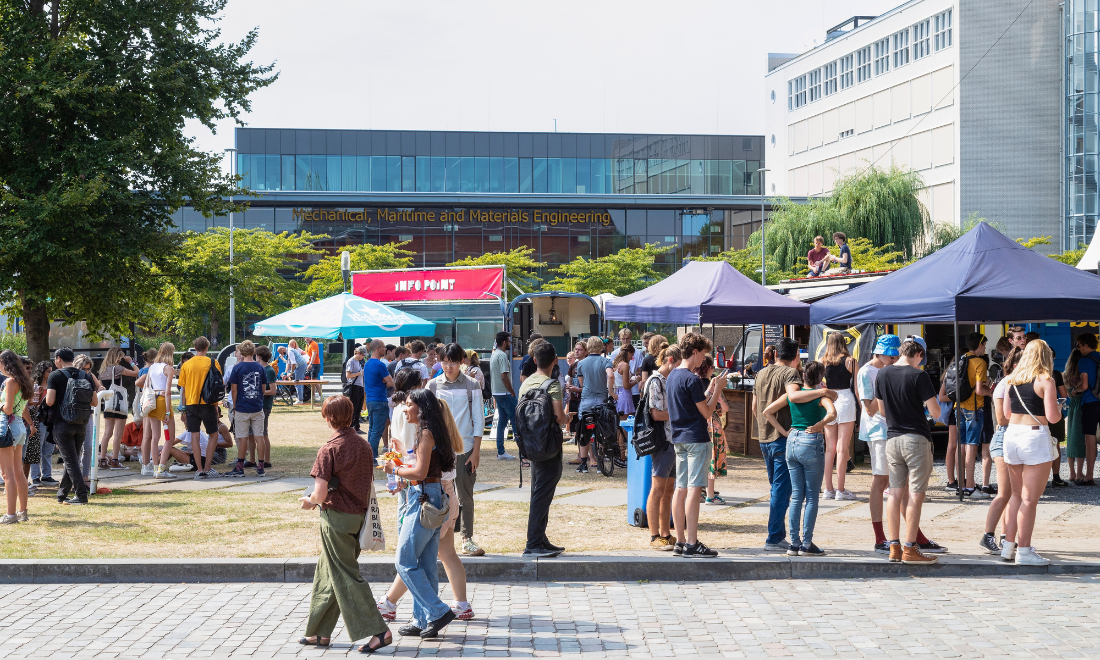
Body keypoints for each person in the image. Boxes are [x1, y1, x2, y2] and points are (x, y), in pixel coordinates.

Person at [297, 395, 391, 653]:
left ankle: (379, 631)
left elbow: (319, 494)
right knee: (327, 573)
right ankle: (319, 632)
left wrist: (308, 501)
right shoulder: (364, 446)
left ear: (328, 419)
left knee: (345, 575)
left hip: (336, 518)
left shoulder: (329, 449)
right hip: (358, 518)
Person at [378, 397, 475, 623]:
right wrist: (405, 471)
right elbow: (425, 471)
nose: (404, 408)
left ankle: (422, 608)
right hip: (439, 499)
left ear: (424, 410)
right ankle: (431, 614)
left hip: (430, 501)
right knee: (435, 558)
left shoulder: (427, 435)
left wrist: (397, 469)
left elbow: (423, 473)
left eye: (410, 404)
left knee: (409, 559)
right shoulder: (435, 435)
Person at [751, 337, 834, 551]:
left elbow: (755, 407)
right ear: (796, 356)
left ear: (776, 354)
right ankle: (775, 537)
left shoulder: (761, 372)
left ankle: (780, 536)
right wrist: (823, 392)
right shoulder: (790, 374)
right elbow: (795, 396)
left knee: (778, 489)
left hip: (764, 436)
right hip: (784, 437)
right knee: (782, 490)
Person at [876, 338, 943, 564]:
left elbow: (882, 410)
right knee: (916, 493)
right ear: (919, 354)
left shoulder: (883, 374)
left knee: (895, 493)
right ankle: (910, 548)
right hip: (916, 438)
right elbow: (935, 412)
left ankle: (893, 547)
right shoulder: (919, 375)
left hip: (892, 438)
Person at [1000, 339, 1062, 566]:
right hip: (1034, 436)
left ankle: (1008, 546)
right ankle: (1024, 551)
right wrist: (1060, 407)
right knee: (1029, 500)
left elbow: (1006, 413)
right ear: (1046, 357)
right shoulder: (1046, 380)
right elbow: (1053, 417)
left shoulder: (1012, 379)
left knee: (1016, 496)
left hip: (1012, 435)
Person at [667, 332, 727, 558]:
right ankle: (692, 542)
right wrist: (719, 388)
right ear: (695, 352)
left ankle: (681, 541)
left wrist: (711, 387)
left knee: (680, 489)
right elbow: (707, 412)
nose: (704, 359)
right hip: (696, 439)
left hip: (679, 438)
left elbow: (693, 402)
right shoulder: (691, 379)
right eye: (703, 353)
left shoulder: (673, 376)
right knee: (694, 488)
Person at [427, 343, 486, 558]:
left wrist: (476, 452)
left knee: (465, 495)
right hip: (439, 450)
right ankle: (439, 538)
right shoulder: (433, 385)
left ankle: (467, 538)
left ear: (461, 361)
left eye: (452, 362)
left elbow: (479, 420)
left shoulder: (472, 385)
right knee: (437, 494)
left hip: (465, 448)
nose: (448, 366)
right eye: (444, 361)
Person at [518, 341, 569, 558]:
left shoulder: (526, 384)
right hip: (549, 444)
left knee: (538, 490)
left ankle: (540, 538)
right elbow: (559, 418)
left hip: (531, 444)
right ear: (555, 360)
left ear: (535, 360)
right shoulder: (552, 385)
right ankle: (533, 543)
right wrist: (567, 417)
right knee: (542, 492)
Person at [857, 334, 900, 553]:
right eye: (891, 356)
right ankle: (879, 535)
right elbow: (869, 408)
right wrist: (885, 380)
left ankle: (909, 534)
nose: (894, 360)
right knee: (881, 480)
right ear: (880, 353)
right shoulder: (867, 372)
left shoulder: (886, 369)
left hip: (893, 428)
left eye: (895, 357)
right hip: (877, 430)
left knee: (899, 482)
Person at [980, 346, 1023, 554]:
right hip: (1004, 438)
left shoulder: (1017, 383)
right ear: (1016, 366)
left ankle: (1007, 536)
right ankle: (988, 535)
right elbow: (1001, 419)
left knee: (1014, 494)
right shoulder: (1005, 384)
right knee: (1005, 493)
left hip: (1014, 437)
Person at [45, 347, 91, 505]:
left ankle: (81, 496)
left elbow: (50, 401)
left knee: (70, 461)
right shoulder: (85, 375)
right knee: (72, 459)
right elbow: (95, 402)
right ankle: (62, 494)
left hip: (62, 423)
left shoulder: (55, 375)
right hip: (81, 423)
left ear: (58, 358)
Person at [644, 342, 679, 550]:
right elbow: (655, 413)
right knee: (657, 489)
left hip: (672, 439)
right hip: (662, 440)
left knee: (669, 489)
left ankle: (666, 533)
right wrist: (679, 414)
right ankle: (654, 535)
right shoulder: (656, 380)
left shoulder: (668, 379)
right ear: (670, 360)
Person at [953, 333, 993, 497]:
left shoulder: (960, 359)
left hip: (958, 405)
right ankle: (970, 486)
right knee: (971, 445)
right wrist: (990, 392)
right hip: (974, 407)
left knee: (960, 444)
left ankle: (961, 484)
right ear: (980, 345)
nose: (985, 348)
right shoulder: (980, 363)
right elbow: (979, 389)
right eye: (984, 345)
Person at [177, 337, 222, 479]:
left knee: (194, 436)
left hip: (191, 403)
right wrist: (215, 406)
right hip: (208, 403)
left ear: (195, 348)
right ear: (207, 348)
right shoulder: (213, 363)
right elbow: (217, 386)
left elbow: (183, 389)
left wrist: (183, 409)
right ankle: (208, 467)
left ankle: (199, 470)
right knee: (213, 434)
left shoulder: (187, 364)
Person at [821, 332, 857, 500]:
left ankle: (828, 489)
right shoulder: (851, 361)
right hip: (846, 399)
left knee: (830, 448)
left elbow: (820, 384)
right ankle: (841, 490)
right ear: (844, 343)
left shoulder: (823, 361)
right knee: (843, 448)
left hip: (829, 399)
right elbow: (856, 389)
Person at [226, 340, 269, 478]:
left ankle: (240, 468)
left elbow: (234, 389)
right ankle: (261, 467)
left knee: (242, 437)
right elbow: (263, 389)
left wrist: (235, 405)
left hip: (242, 408)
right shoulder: (260, 367)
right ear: (253, 352)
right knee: (259, 437)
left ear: (241, 352)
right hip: (257, 406)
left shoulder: (237, 368)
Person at [0, 350, 32, 523]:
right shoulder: (24, 381)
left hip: (9, 427)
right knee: (18, 472)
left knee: (7, 474)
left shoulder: (10, 382)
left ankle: (11, 515)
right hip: (19, 426)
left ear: (5, 363)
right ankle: (22, 512)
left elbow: (8, 409)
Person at [575, 335, 615, 473]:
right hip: (602, 400)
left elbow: (581, 383)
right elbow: (610, 375)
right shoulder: (606, 361)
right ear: (601, 347)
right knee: (602, 430)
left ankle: (584, 464)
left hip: (586, 399)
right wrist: (610, 391)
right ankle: (600, 462)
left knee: (584, 431)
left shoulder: (581, 363)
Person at [692, 355, 728, 506]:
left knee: (698, 460)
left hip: (696, 425)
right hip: (712, 425)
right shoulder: (713, 386)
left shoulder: (693, 383)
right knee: (711, 460)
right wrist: (717, 392)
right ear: (711, 369)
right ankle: (710, 495)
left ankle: (699, 491)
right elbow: (725, 408)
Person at [96, 347, 139, 470]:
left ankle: (103, 460)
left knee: (106, 433)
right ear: (117, 357)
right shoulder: (118, 369)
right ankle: (115, 460)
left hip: (108, 404)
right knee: (118, 434)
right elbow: (137, 372)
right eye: (120, 357)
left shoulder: (102, 371)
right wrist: (131, 361)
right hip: (119, 404)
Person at [139, 343, 177, 479]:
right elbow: (168, 392)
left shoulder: (152, 367)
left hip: (151, 401)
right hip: (162, 401)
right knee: (169, 437)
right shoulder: (169, 368)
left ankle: (155, 468)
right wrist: (167, 411)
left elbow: (146, 387)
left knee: (155, 437)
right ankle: (161, 468)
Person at [1073, 333, 1099, 486]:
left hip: (1090, 402)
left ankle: (1089, 476)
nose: (1078, 348)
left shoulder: (1084, 360)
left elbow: (1084, 385)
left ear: (1086, 345)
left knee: (1090, 439)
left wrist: (1075, 390)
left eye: (1079, 345)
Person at [489, 332, 518, 461]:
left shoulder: (494, 354)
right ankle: (524, 453)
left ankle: (501, 452)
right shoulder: (502, 355)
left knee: (502, 422)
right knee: (516, 421)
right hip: (505, 392)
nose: (510, 343)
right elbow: (504, 376)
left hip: (497, 392)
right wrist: (512, 391)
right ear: (505, 341)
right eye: (509, 341)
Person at [28, 361, 55, 487]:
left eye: (51, 370)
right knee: (36, 449)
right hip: (39, 420)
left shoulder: (53, 385)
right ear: (42, 372)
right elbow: (31, 405)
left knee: (48, 449)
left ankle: (47, 475)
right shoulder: (35, 385)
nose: (50, 373)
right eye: (48, 371)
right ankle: (35, 477)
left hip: (50, 420)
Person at [1065, 349, 1086, 483]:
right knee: (1080, 440)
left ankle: (1072, 473)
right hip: (1081, 406)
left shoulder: (1066, 375)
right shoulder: (1081, 375)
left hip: (1072, 406)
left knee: (1071, 440)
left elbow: (1068, 394)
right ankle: (1079, 473)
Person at [255, 345, 278, 470]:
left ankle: (267, 461)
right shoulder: (261, 368)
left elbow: (273, 390)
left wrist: (259, 392)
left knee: (263, 434)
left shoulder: (268, 370)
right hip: (260, 405)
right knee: (261, 433)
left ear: (259, 356)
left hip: (265, 406)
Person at [345, 345, 367, 432]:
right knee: (354, 408)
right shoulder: (351, 361)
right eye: (362, 355)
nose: (363, 357)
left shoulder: (359, 362)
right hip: (354, 387)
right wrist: (359, 373)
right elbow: (348, 375)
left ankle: (356, 427)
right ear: (358, 353)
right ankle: (352, 426)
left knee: (359, 408)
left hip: (360, 386)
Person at [613, 344, 638, 418]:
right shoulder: (625, 365)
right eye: (632, 355)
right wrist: (636, 380)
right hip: (625, 395)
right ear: (628, 353)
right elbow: (626, 386)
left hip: (617, 394)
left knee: (619, 423)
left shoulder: (616, 363)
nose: (631, 358)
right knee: (626, 423)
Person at [304, 337, 322, 403]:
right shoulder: (307, 345)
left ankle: (320, 395)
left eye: (308, 337)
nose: (307, 338)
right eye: (306, 337)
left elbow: (314, 354)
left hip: (315, 364)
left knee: (314, 380)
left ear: (311, 337)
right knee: (312, 381)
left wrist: (311, 363)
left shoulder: (314, 344)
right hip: (309, 364)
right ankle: (313, 396)